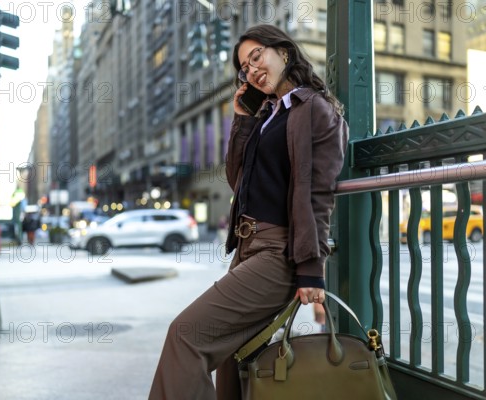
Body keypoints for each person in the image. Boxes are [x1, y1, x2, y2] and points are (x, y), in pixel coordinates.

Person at [149, 24, 348, 400]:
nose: (252, 69)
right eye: (244, 67)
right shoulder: (268, 116)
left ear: (284, 52)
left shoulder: (315, 110)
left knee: (186, 335)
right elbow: (237, 178)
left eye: (257, 56)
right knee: (231, 358)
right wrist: (242, 119)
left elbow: (318, 195)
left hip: (279, 254)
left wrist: (311, 270)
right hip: (247, 249)